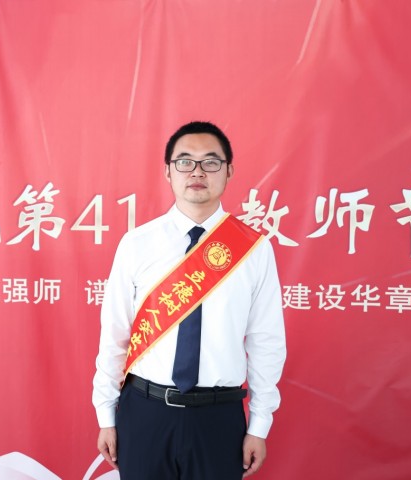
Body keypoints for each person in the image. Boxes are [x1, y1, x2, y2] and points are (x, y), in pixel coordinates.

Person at [92, 121, 286, 479]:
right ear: (168, 171)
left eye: (211, 162)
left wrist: (260, 424)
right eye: (184, 161)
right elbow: (116, 333)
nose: (197, 172)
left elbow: (266, 341)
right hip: (145, 413)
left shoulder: (253, 250)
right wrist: (106, 414)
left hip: (219, 417)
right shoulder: (137, 244)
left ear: (229, 171)